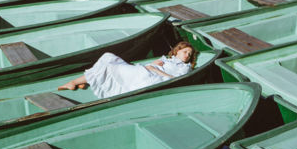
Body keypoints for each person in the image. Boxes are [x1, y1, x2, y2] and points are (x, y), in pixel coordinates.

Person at [58, 41, 197, 99]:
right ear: (177, 51)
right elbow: (151, 65)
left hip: (151, 77)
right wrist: (153, 64)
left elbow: (175, 80)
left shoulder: (184, 68)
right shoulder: (167, 59)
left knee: (110, 62)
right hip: (145, 71)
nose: (187, 55)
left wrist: (154, 69)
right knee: (109, 58)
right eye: (185, 51)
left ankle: (78, 81)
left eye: (189, 54)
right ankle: (83, 80)